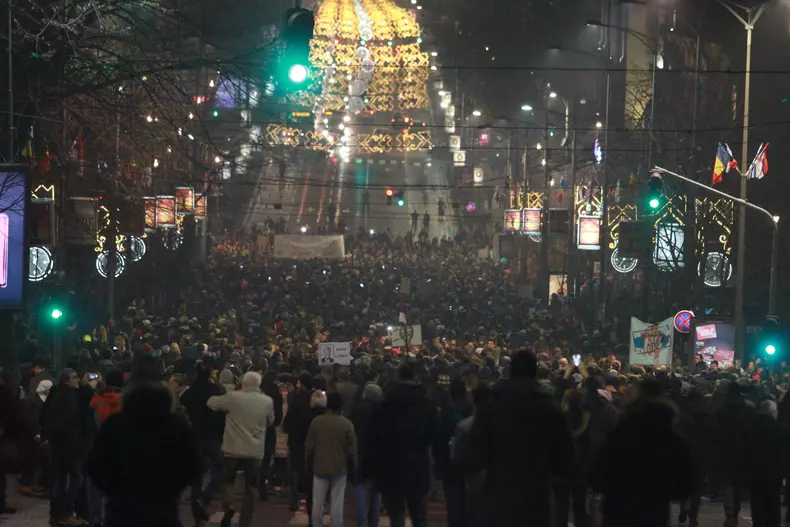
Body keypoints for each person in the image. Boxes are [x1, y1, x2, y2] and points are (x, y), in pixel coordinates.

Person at [462, 349, 575, 527]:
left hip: (497, 500)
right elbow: (566, 463)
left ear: (511, 371)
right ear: (534, 373)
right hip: (536, 502)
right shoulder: (550, 411)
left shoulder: (489, 409)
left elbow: (473, 458)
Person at [87, 381, 201, 527]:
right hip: (163, 506)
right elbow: (193, 464)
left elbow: (95, 463)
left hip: (121, 507)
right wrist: (172, 489)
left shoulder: (115, 424)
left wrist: (113, 490)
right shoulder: (176, 426)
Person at [591, 379, 693, 527]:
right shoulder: (669, 435)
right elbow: (683, 481)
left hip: (619, 507)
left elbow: (602, 468)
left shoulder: (624, 431)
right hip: (655, 509)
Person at [369, 363, 439, 527]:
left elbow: (375, 438)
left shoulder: (385, 405)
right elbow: (435, 437)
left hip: (392, 466)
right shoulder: (426, 406)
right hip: (418, 466)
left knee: (396, 515)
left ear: (398, 378)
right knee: (419, 514)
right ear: (415, 379)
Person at [207, 371, 275, 527]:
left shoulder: (234, 397)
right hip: (255, 450)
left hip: (232, 448)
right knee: (250, 487)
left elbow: (211, 402)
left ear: (244, 383)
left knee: (227, 480)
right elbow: (271, 421)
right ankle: (246, 520)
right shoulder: (266, 401)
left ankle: (229, 505)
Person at [41, 369, 97, 526]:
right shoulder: (69, 397)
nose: (77, 380)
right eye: (74, 377)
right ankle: (65, 513)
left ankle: (56, 514)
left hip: (58, 445)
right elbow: (70, 421)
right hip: (69, 446)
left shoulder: (56, 395)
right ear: (66, 381)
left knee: (58, 480)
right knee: (75, 478)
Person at [181, 361, 226, 526]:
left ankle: (197, 515)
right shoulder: (216, 391)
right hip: (213, 437)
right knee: (220, 469)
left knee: (196, 476)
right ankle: (207, 497)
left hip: (194, 435)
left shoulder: (190, 392)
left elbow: (183, 408)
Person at [306, 392, 358, 527]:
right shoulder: (347, 424)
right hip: (340, 467)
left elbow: (309, 446)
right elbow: (352, 449)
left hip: (319, 466)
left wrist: (308, 462)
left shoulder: (317, 422)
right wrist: (354, 466)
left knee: (317, 504)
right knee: (337, 505)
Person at [740, 399, 790, 527]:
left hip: (754, 476)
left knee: (757, 508)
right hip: (775, 477)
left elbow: (744, 453)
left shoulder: (748, 430)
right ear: (773, 412)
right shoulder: (782, 430)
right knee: (773, 507)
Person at [349, 383, 383, 527]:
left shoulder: (357, 411)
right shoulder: (384, 412)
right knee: (376, 493)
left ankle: (361, 523)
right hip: (378, 456)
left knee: (361, 490)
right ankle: (374, 522)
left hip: (361, 454)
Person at [283, 372, 314, 511]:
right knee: (308, 470)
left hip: (295, 440)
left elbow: (287, 423)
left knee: (295, 470)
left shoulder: (295, 401)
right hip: (309, 440)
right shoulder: (313, 401)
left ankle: (295, 499)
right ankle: (310, 497)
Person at [19, 379, 53, 497]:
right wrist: (37, 434)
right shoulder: (36, 403)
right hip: (31, 434)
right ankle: (26, 484)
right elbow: (34, 420)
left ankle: (29, 483)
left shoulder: (33, 399)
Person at [258, 370, 284, 501]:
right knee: (267, 459)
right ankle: (263, 486)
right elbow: (278, 415)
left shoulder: (258, 390)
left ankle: (254, 485)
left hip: (255, 428)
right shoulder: (276, 393)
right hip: (269, 429)